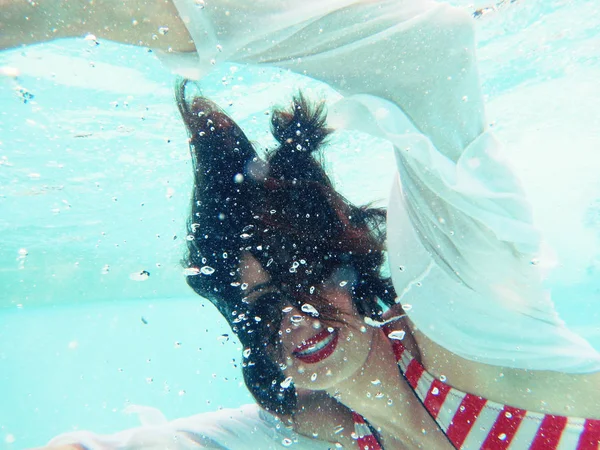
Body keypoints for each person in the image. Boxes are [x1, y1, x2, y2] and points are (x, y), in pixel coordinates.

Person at [4, 0, 597, 448]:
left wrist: (64, 11)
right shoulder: (334, 424)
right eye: (262, 308)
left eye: (307, 275)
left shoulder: (469, 329)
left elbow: (426, 47)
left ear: (352, 263)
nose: (294, 318)